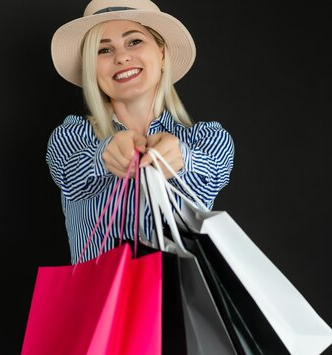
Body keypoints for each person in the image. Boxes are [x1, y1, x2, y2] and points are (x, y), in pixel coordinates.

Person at [46, 0, 234, 263]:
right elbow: (69, 173)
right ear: (92, 69)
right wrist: (103, 156)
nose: (121, 57)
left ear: (162, 55)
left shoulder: (205, 138)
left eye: (134, 41)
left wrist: (183, 159)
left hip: (176, 302)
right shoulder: (74, 136)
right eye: (104, 49)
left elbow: (214, 172)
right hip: (102, 301)